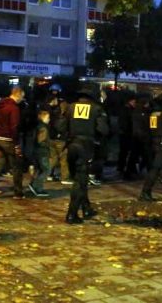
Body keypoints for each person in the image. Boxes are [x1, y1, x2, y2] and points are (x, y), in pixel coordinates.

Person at [65, 83, 109, 224]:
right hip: (86, 147)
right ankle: (71, 214)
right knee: (80, 181)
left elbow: (60, 125)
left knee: (80, 179)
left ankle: (86, 208)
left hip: (72, 145)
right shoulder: (97, 109)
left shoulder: (70, 107)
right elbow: (103, 130)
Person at [29, 110, 51, 197]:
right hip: (42, 152)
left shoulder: (38, 126)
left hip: (37, 151)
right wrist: (47, 146)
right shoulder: (43, 128)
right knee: (46, 170)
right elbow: (41, 141)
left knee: (39, 169)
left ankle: (34, 184)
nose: (49, 119)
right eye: (48, 118)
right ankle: (37, 187)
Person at [48, 100, 71, 184]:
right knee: (64, 159)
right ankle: (65, 178)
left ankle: (48, 174)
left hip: (51, 138)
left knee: (53, 158)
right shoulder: (64, 116)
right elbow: (62, 128)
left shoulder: (53, 114)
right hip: (61, 140)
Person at [116, 93, 137, 180]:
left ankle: (121, 168)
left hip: (125, 134)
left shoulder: (125, 109)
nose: (135, 103)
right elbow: (125, 123)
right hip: (127, 134)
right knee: (126, 153)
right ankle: (124, 169)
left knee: (124, 152)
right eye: (134, 102)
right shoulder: (127, 110)